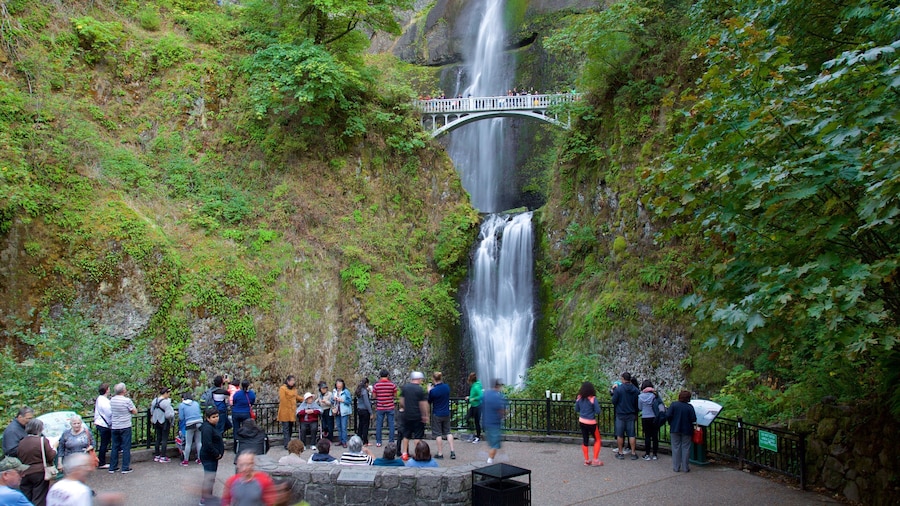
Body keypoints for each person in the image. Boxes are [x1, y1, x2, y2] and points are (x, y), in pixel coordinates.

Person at [17, 418, 56, 506]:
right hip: (39, 472)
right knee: (39, 498)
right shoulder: (42, 441)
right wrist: (54, 448)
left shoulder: (21, 442)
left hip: (24, 472)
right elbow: (50, 456)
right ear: (39, 429)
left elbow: (19, 455)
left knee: (26, 497)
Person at [108, 382, 137, 474]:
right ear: (124, 390)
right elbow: (134, 411)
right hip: (125, 426)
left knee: (115, 446)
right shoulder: (126, 401)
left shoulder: (112, 400)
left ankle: (112, 467)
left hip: (115, 426)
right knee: (126, 447)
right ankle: (125, 467)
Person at [399, 371, 429, 461]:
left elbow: (401, 401)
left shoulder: (405, 388)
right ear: (418, 379)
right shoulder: (420, 390)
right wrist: (425, 415)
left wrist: (405, 407)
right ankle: (418, 453)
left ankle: (404, 453)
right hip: (417, 416)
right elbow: (423, 404)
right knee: (417, 436)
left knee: (406, 435)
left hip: (407, 415)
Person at [611, 372, 640, 460]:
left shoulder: (619, 389)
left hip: (620, 414)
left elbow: (614, 401)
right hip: (631, 414)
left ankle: (620, 452)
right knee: (632, 434)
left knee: (620, 435)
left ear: (623, 379)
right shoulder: (635, 390)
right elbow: (637, 403)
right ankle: (633, 453)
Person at [200, 406, 225, 504]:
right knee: (209, 478)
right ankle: (205, 499)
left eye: (217, 416)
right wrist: (216, 454)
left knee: (211, 477)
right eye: (213, 417)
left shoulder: (211, 427)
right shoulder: (207, 429)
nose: (216, 418)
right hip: (209, 457)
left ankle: (208, 496)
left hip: (212, 457)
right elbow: (207, 444)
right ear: (208, 418)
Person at [427, 372, 455, 459]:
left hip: (437, 414)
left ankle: (440, 453)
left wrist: (429, 391)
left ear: (433, 379)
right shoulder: (447, 387)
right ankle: (452, 451)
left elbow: (429, 401)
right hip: (446, 413)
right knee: (448, 432)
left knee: (438, 434)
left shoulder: (433, 391)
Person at [574, 381, 603, 466]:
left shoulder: (579, 398)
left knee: (585, 440)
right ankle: (595, 459)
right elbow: (598, 411)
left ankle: (586, 460)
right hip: (591, 422)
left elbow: (576, 409)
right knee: (597, 439)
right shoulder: (593, 399)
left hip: (582, 421)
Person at [668, 390, 697, 473]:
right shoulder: (689, 407)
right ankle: (685, 467)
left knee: (675, 447)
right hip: (687, 429)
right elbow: (693, 419)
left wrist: (671, 423)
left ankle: (676, 467)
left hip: (675, 428)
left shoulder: (674, 405)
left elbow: (668, 415)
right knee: (686, 448)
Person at [482, 379, 508, 464]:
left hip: (486, 422)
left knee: (492, 442)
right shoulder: (497, 397)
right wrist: (503, 415)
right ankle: (489, 461)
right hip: (494, 424)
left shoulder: (486, 394)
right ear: (498, 386)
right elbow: (502, 409)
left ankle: (500, 456)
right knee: (495, 444)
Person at [277, 375, 303, 450]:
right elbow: (283, 399)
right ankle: (287, 444)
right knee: (286, 428)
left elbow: (296, 396)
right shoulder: (283, 388)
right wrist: (291, 402)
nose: (293, 382)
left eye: (293, 381)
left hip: (291, 412)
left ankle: (289, 443)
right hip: (285, 411)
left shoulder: (294, 389)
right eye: (292, 381)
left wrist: (305, 399)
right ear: (288, 381)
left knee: (290, 428)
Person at [372, 370, 397, 447]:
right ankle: (391, 441)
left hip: (380, 407)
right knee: (391, 425)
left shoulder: (376, 385)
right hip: (390, 406)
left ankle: (378, 441)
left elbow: (374, 396)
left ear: (380, 376)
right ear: (388, 375)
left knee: (379, 424)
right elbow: (395, 395)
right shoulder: (392, 385)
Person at [150, 387, 175, 463]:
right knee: (164, 439)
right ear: (165, 393)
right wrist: (173, 413)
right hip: (164, 422)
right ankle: (163, 456)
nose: (169, 395)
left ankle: (157, 455)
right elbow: (168, 415)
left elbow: (151, 411)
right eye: (168, 393)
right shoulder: (166, 403)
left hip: (156, 421)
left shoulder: (155, 400)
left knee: (158, 438)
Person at [178, 392, 203, 466]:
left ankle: (186, 461)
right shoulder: (196, 403)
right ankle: (200, 459)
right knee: (199, 442)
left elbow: (181, 417)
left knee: (188, 443)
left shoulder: (182, 405)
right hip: (199, 422)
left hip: (189, 424)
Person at [638, 379, 660, 461]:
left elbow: (640, 408)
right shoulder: (654, 396)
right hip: (654, 417)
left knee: (647, 436)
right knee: (655, 436)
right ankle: (655, 454)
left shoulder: (640, 397)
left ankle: (647, 454)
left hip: (645, 417)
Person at [231, 380, 256, 445]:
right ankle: (246, 444)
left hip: (236, 412)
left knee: (236, 429)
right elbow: (252, 402)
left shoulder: (237, 393)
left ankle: (236, 445)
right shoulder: (251, 394)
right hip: (246, 412)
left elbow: (234, 402)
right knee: (247, 429)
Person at [93, 384, 112, 469]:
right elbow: (109, 413)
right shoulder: (104, 401)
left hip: (100, 423)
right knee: (104, 444)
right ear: (106, 390)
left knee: (104, 443)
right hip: (104, 424)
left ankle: (102, 461)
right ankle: (102, 462)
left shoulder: (99, 399)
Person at [332, 379, 351, 448]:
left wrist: (342, 400)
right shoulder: (334, 391)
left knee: (344, 427)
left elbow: (349, 401)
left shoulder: (346, 392)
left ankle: (344, 441)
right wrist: (333, 399)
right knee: (339, 427)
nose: (339, 385)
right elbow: (331, 401)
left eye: (340, 384)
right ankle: (340, 440)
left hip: (344, 411)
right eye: (337, 384)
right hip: (337, 411)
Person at [354, 378, 373, 446]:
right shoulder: (364, 391)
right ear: (366, 383)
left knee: (360, 426)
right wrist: (371, 412)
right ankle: (365, 441)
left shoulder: (359, 390)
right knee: (365, 426)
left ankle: (359, 440)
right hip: (365, 410)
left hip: (359, 409)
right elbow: (367, 402)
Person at [466, 373, 483, 443]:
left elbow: (481, 396)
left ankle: (478, 437)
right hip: (473, 406)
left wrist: (473, 399)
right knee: (467, 418)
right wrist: (469, 397)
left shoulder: (476, 387)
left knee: (476, 422)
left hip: (477, 406)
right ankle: (473, 434)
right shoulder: (474, 385)